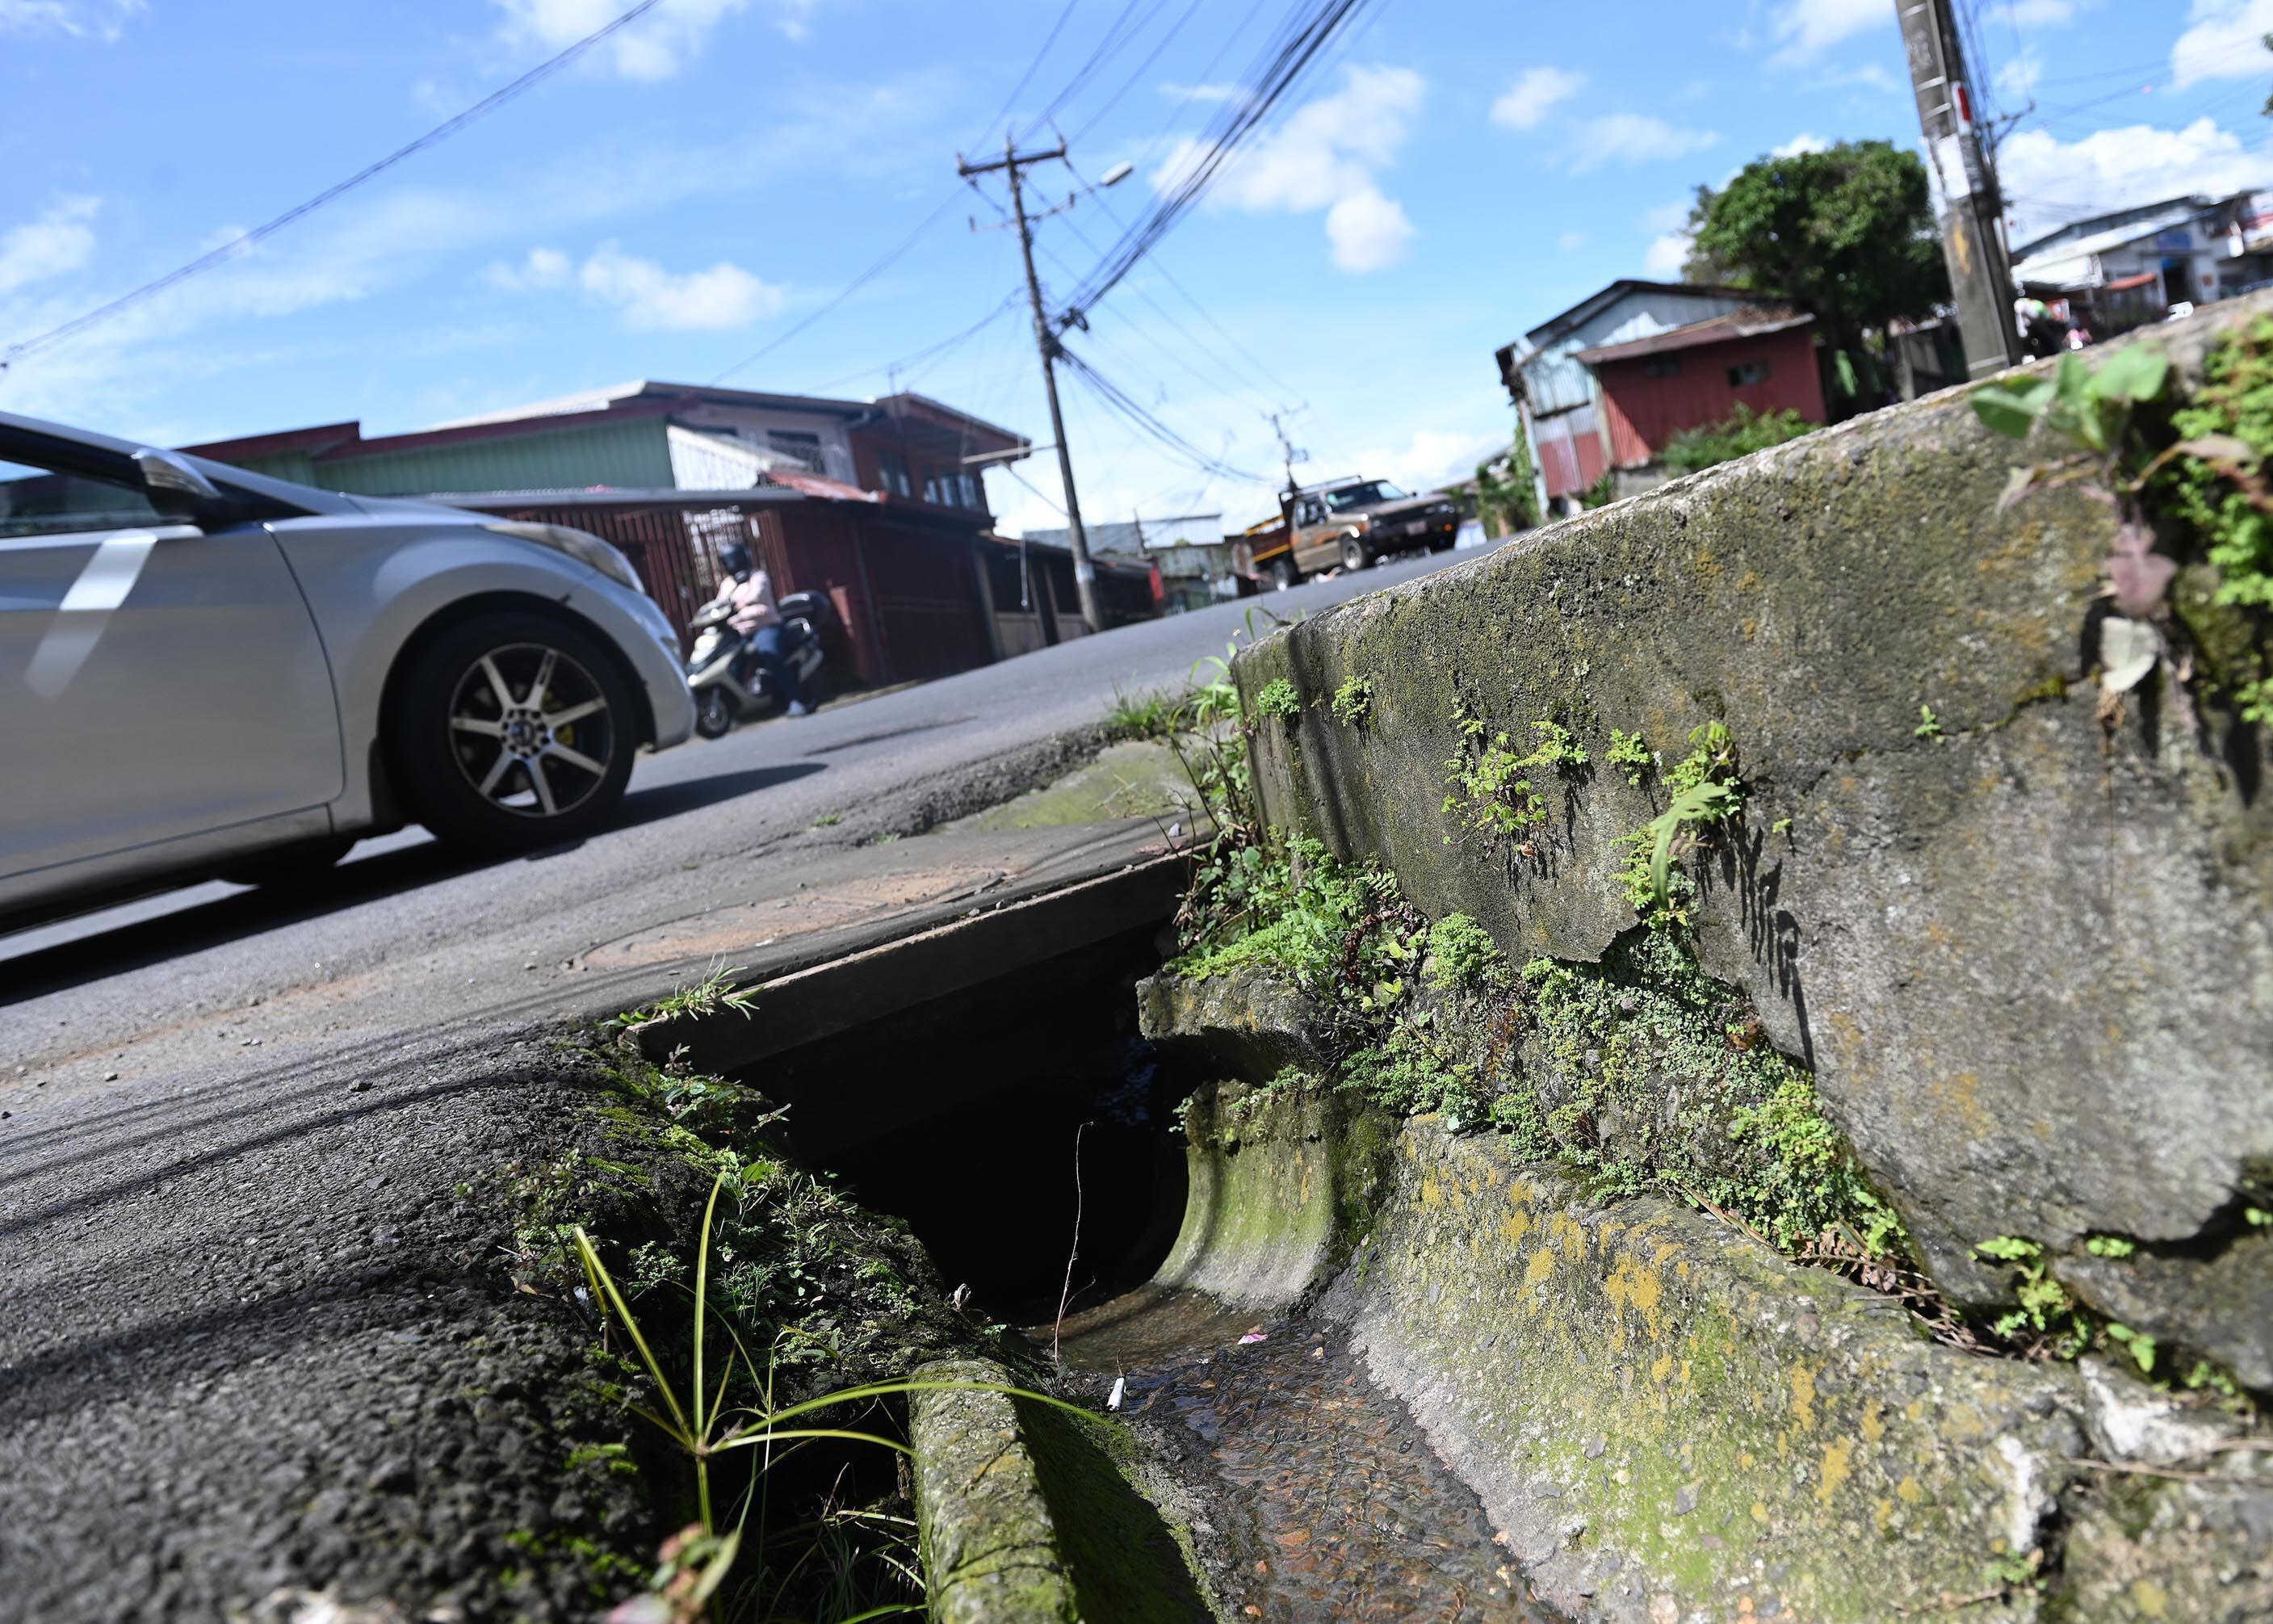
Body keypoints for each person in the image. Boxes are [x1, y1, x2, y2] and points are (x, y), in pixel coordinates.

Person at [708, 542, 811, 716]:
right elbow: (719, 604)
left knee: (770, 655)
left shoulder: (758, 577)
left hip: (766, 628)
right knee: (729, 662)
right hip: (739, 632)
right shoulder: (727, 584)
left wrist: (739, 604)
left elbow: (757, 595)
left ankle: (796, 700)